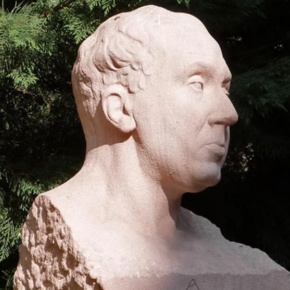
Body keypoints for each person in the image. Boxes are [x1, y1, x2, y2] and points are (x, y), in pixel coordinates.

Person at [43, 5, 239, 271]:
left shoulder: (218, 252)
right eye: (197, 84)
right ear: (120, 109)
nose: (229, 114)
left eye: (225, 90)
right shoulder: (68, 226)